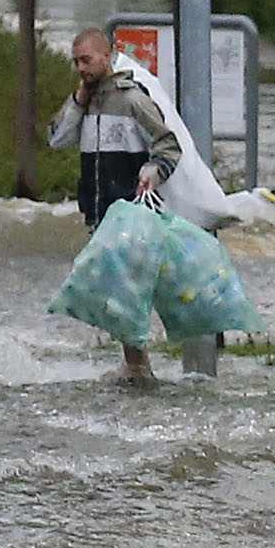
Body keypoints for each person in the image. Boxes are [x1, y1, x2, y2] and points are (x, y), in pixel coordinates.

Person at [52, 27, 184, 383]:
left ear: (106, 56)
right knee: (116, 289)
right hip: (98, 211)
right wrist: (78, 101)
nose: (81, 67)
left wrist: (153, 170)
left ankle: (139, 366)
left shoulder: (131, 99)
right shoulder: (86, 101)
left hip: (130, 211)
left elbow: (168, 144)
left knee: (127, 288)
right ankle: (136, 362)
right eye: (76, 61)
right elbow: (57, 138)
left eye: (87, 60)